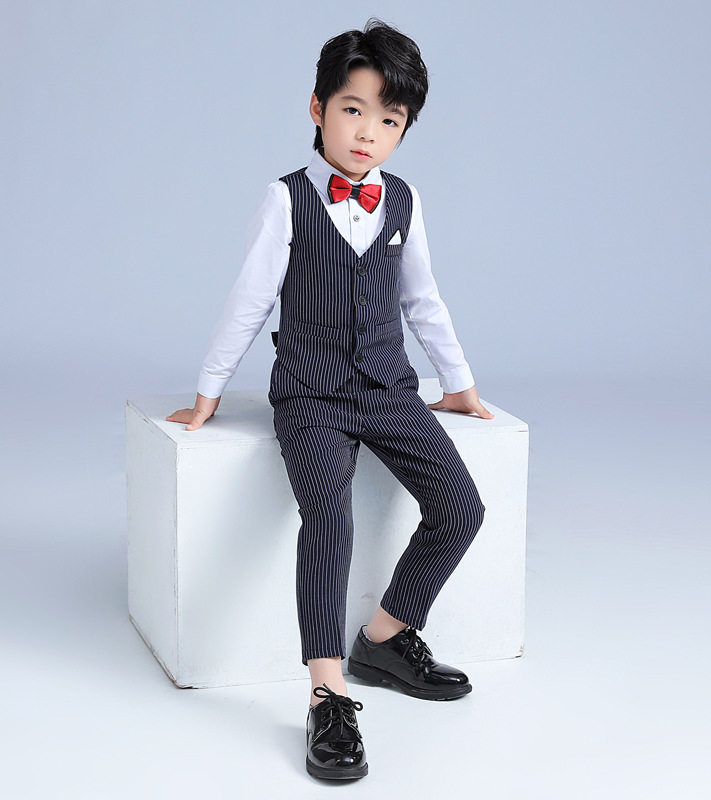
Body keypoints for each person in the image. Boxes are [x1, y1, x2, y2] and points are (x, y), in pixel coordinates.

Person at [167, 18, 494, 781]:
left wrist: (458, 381)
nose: (369, 133)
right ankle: (327, 693)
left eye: (390, 120)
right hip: (311, 395)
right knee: (329, 518)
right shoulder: (286, 200)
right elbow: (249, 301)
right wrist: (209, 392)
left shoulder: (403, 200)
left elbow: (423, 299)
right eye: (354, 110)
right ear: (317, 108)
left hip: (386, 388)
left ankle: (384, 639)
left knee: (461, 506)